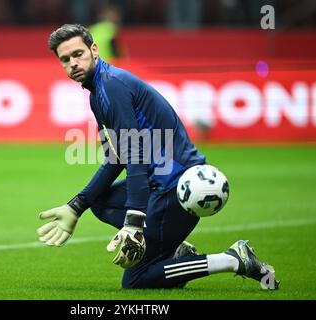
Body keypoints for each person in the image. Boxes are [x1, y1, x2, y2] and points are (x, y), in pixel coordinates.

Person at [37, 24, 279, 290]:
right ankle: (173, 250)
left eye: (78, 54)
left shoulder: (111, 87)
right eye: (65, 59)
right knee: (100, 201)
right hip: (160, 183)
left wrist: (133, 222)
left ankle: (232, 259)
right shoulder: (99, 93)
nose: (73, 63)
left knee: (137, 280)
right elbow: (116, 158)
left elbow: (135, 156)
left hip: (176, 189)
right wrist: (76, 206)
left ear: (94, 50)